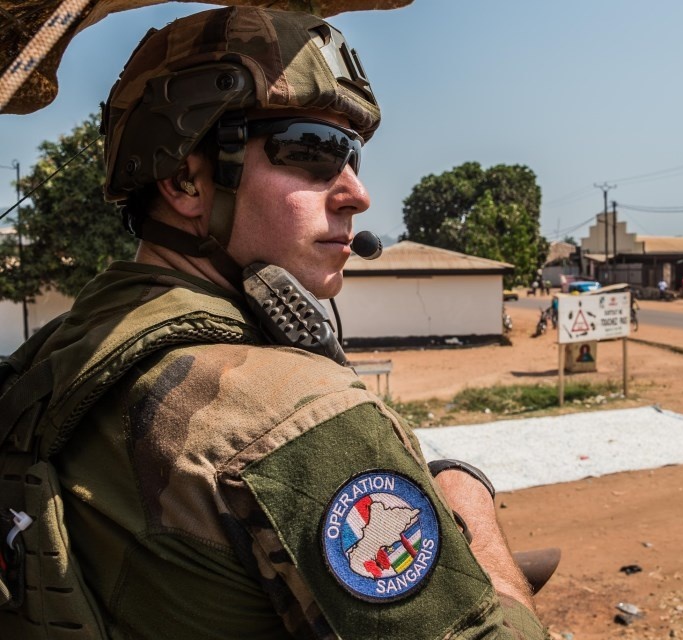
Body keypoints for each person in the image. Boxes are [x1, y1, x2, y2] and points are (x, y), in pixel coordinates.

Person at [3, 8, 544, 638]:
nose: (355, 193)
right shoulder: (290, 413)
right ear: (184, 179)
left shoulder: (56, 357)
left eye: (353, 157)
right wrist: (465, 498)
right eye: (312, 149)